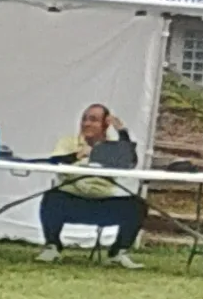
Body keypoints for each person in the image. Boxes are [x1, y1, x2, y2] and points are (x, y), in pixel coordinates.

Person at [39, 104, 144, 264]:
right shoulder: (68, 142)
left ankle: (118, 253)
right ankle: (52, 247)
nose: (86, 123)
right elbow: (55, 162)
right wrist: (78, 155)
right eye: (84, 119)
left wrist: (122, 132)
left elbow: (129, 161)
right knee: (51, 198)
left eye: (93, 120)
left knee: (137, 206)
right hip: (73, 198)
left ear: (105, 124)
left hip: (104, 202)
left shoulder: (114, 147)